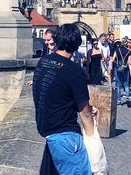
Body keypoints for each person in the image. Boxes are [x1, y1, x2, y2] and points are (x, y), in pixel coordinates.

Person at [33, 24, 94, 175]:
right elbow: (85, 113)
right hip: (66, 137)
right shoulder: (73, 70)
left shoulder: (43, 62)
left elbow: (56, 94)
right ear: (76, 45)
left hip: (47, 131)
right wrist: (93, 139)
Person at [111, 39, 131, 105]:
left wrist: (113, 65)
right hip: (125, 69)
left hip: (117, 68)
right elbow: (129, 62)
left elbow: (113, 59)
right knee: (126, 84)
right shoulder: (128, 51)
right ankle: (128, 99)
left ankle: (119, 101)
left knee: (118, 84)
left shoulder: (117, 50)